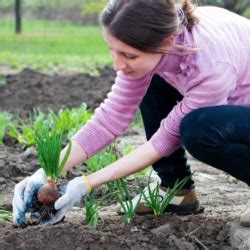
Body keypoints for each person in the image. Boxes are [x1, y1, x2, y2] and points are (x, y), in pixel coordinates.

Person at [12, 0, 250, 227]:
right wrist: (47, 172)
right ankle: (175, 189)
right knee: (149, 77)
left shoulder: (210, 64)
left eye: (129, 55)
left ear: (166, 42)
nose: (117, 64)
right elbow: (109, 119)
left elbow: (164, 140)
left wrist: (86, 183)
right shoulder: (159, 40)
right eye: (113, 50)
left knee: (199, 129)